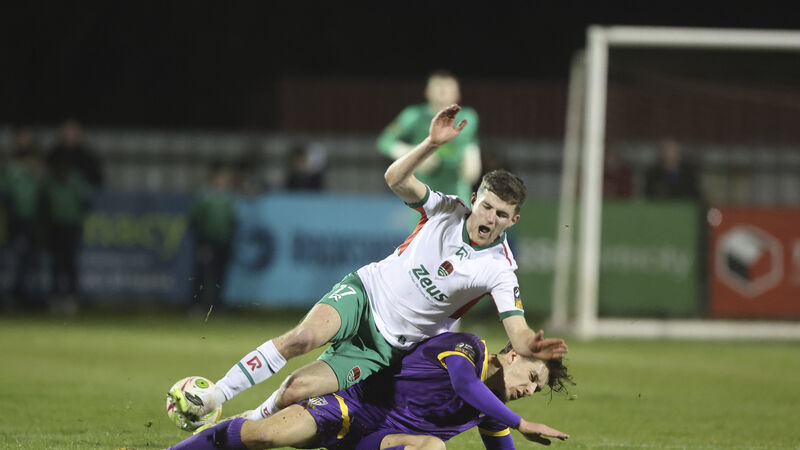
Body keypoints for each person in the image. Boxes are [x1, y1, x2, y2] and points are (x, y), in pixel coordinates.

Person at [170, 104, 567, 425]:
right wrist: (430, 143)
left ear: (513, 221)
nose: (489, 219)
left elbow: (516, 330)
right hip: (365, 293)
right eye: (487, 206)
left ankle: (238, 426)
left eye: (501, 215)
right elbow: (395, 178)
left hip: (387, 346)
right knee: (301, 340)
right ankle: (214, 394)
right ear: (476, 197)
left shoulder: (499, 267)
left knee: (295, 391)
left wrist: (532, 345)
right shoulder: (447, 208)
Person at [168, 332, 571, 450]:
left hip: (378, 442)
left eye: (538, 391)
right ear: (514, 356)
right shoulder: (470, 348)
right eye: (534, 378)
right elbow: (463, 384)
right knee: (264, 436)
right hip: (348, 407)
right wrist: (520, 423)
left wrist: (511, 423)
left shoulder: (493, 409)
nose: (529, 391)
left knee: (432, 448)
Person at [378, 71, 481, 204]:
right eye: (439, 88)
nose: (444, 92)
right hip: (424, 192)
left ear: (458, 93)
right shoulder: (414, 116)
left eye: (449, 89)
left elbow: (471, 143)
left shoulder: (469, 117)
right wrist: (416, 156)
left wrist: (473, 158)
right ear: (427, 92)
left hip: (457, 191)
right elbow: (385, 142)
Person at [0, 127, 44, 310]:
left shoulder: (37, 161)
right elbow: (5, 190)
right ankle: (11, 296)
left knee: (31, 258)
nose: (23, 139)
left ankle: (27, 296)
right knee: (12, 257)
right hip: (14, 218)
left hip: (33, 219)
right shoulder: (10, 162)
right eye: (21, 136)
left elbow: (44, 184)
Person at [188, 160, 238, 314]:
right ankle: (197, 306)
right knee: (203, 275)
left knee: (220, 276)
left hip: (224, 242)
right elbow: (195, 220)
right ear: (214, 177)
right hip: (208, 242)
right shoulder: (205, 196)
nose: (224, 179)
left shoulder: (230, 197)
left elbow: (233, 221)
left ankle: (217, 306)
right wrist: (201, 243)